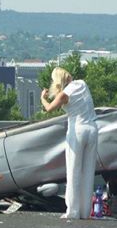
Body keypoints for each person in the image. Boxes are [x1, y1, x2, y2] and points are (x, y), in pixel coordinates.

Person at [40, 67, 98, 219]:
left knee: (73, 170)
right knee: (88, 171)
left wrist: (43, 98)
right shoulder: (82, 84)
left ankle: (72, 211)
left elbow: (49, 109)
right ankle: (85, 212)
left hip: (77, 130)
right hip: (92, 129)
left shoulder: (64, 95)